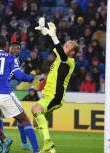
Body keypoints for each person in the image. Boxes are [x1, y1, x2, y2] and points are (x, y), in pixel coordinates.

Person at [32, 17, 79, 153]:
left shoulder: (69, 61)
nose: (64, 45)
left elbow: (61, 52)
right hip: (49, 94)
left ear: (72, 52)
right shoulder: (60, 57)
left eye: (67, 46)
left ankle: (48, 143)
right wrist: (45, 33)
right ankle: (50, 150)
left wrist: (53, 35)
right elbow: (57, 48)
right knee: (36, 122)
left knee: (35, 109)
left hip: (55, 95)